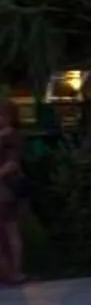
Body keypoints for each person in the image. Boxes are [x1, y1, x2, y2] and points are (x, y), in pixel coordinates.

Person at [0, 95, 27, 285]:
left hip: (5, 189)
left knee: (10, 230)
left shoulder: (11, 136)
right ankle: (8, 271)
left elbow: (12, 164)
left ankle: (14, 271)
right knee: (7, 232)